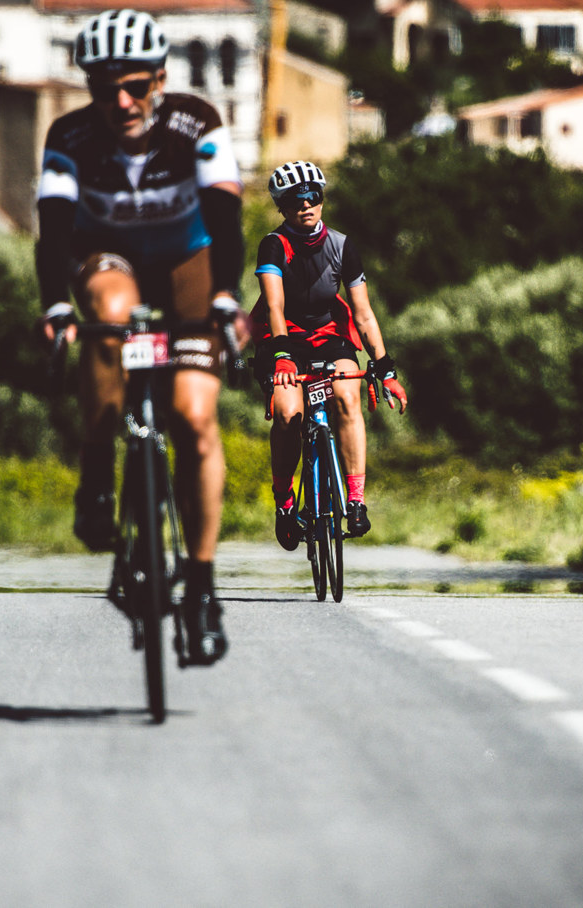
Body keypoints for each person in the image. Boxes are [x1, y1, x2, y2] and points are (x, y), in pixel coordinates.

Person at [37, 9, 246, 664]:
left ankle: (203, 590)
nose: (120, 102)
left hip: (188, 262)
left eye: (133, 86)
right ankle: (98, 466)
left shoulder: (196, 123)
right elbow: (54, 227)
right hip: (111, 260)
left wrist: (224, 295)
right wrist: (54, 304)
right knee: (108, 309)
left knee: (196, 419)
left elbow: (226, 217)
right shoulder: (70, 135)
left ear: (159, 79)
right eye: (105, 89)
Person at [251, 161, 407, 551]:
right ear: (282, 207)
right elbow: (273, 305)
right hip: (283, 336)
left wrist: (385, 369)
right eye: (295, 200)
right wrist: (283, 355)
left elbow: (363, 313)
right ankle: (286, 502)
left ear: (321, 200)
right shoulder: (274, 245)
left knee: (347, 397)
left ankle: (355, 500)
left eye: (313, 196)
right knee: (288, 412)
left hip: (328, 335)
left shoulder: (341, 245)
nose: (306, 205)